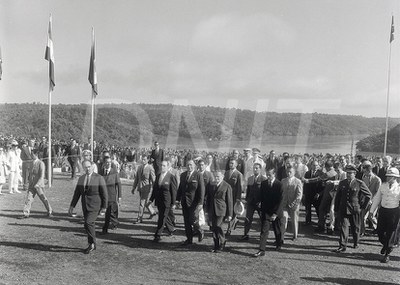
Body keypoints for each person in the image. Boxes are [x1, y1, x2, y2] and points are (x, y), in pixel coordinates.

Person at [69, 160, 108, 254]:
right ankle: (92, 243)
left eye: (89, 166)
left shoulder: (99, 178)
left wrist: (104, 207)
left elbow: (104, 194)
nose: (87, 169)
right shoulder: (81, 178)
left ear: (92, 166)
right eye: (85, 167)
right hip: (85, 205)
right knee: (87, 225)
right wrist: (72, 206)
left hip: (95, 206)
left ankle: (92, 244)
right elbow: (77, 194)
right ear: (83, 168)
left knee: (88, 222)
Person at [333, 165, 372, 253]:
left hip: (355, 209)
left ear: (355, 174)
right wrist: (336, 209)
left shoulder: (359, 183)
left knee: (355, 227)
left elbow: (369, 195)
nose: (348, 175)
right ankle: (342, 246)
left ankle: (356, 242)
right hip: (343, 208)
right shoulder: (342, 183)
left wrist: (363, 207)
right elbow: (338, 197)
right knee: (343, 227)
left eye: (350, 173)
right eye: (347, 173)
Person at [369, 167, 400, 263]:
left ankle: (387, 253)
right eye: (387, 176)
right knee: (380, 231)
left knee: (391, 233)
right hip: (383, 211)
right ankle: (385, 244)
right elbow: (377, 198)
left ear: (395, 178)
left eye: (390, 176)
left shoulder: (398, 188)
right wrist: (371, 211)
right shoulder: (383, 186)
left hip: (394, 212)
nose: (388, 178)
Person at [253, 168, 283, 257]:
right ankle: (261, 250)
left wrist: (276, 213)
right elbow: (261, 197)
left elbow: (281, 201)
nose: (268, 176)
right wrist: (260, 207)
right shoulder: (264, 183)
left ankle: (279, 244)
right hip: (266, 210)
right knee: (264, 230)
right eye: (267, 174)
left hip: (276, 210)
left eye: (270, 175)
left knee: (277, 229)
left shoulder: (279, 184)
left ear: (274, 174)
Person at [176, 159, 205, 245]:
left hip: (194, 202)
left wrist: (200, 203)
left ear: (194, 166)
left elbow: (202, 190)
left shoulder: (198, 175)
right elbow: (180, 188)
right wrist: (177, 199)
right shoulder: (183, 175)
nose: (189, 167)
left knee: (192, 219)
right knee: (186, 221)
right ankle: (189, 239)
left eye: (191, 165)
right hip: (184, 202)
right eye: (188, 165)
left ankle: (200, 230)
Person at [18, 149, 53, 219]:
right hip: (31, 185)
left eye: (32, 154)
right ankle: (26, 213)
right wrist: (28, 182)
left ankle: (50, 211)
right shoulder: (31, 163)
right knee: (28, 199)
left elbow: (42, 176)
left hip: (39, 186)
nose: (31, 155)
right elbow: (30, 174)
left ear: (36, 155)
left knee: (43, 199)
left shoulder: (41, 163)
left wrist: (38, 184)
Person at [150, 160, 178, 242]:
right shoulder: (158, 176)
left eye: (164, 166)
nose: (162, 167)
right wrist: (151, 199)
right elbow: (155, 189)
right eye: (161, 165)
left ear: (168, 167)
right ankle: (171, 229)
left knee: (162, 217)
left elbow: (174, 191)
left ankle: (157, 235)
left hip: (167, 202)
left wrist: (174, 203)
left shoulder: (171, 177)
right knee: (164, 216)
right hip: (159, 201)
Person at [205, 171, 233, 253]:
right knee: (213, 228)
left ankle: (222, 242)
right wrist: (207, 211)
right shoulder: (212, 185)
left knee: (218, 226)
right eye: (215, 176)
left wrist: (230, 214)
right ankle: (216, 245)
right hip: (212, 210)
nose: (217, 178)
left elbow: (229, 201)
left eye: (218, 177)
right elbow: (208, 199)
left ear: (223, 176)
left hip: (221, 210)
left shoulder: (227, 186)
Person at [241, 163, 267, 240]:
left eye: (257, 168)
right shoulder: (250, 178)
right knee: (248, 219)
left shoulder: (264, 179)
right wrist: (246, 201)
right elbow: (248, 191)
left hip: (260, 203)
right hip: (251, 202)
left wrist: (262, 202)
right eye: (254, 168)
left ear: (260, 169)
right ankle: (246, 234)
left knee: (263, 219)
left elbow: (265, 192)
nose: (255, 169)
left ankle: (263, 235)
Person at [280, 165, 303, 242]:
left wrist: (294, 203)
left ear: (294, 172)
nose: (289, 173)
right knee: (284, 219)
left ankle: (295, 235)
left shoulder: (298, 181)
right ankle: (281, 237)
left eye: (290, 172)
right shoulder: (283, 181)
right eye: (287, 171)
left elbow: (299, 195)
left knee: (294, 220)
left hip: (294, 204)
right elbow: (280, 192)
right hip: (284, 204)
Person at [100, 156, 121, 234]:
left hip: (111, 195)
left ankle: (105, 229)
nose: (108, 164)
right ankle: (115, 223)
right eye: (107, 162)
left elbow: (119, 184)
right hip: (103, 195)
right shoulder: (101, 172)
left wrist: (119, 196)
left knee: (108, 212)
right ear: (104, 163)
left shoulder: (114, 172)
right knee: (108, 211)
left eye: (109, 162)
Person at [132, 155, 156, 223]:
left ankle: (139, 218)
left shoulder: (150, 168)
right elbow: (136, 178)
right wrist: (134, 187)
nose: (143, 161)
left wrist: (155, 189)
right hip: (140, 188)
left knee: (142, 203)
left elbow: (153, 179)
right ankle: (152, 212)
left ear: (148, 160)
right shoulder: (139, 167)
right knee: (145, 202)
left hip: (146, 188)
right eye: (142, 159)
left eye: (144, 159)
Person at [360, 160, 381, 236]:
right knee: (362, 216)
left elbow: (378, 192)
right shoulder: (363, 178)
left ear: (369, 170)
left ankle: (379, 228)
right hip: (365, 201)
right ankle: (362, 231)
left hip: (373, 202)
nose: (364, 173)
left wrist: (372, 200)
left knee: (371, 216)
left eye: (365, 171)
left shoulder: (377, 180)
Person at [224, 159, 244, 236]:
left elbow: (240, 187)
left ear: (236, 165)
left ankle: (229, 229)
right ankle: (235, 220)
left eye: (232, 163)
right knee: (227, 211)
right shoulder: (226, 173)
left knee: (232, 212)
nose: (230, 165)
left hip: (234, 196)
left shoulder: (238, 174)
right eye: (230, 163)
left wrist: (238, 198)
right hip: (226, 195)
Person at [302, 160, 323, 225]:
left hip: (316, 194)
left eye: (316, 165)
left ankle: (320, 222)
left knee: (318, 208)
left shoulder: (321, 173)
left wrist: (319, 193)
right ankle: (308, 221)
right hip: (308, 194)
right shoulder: (307, 173)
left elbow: (322, 186)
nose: (315, 167)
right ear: (311, 166)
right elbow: (305, 184)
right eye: (314, 165)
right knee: (308, 209)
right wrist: (304, 194)